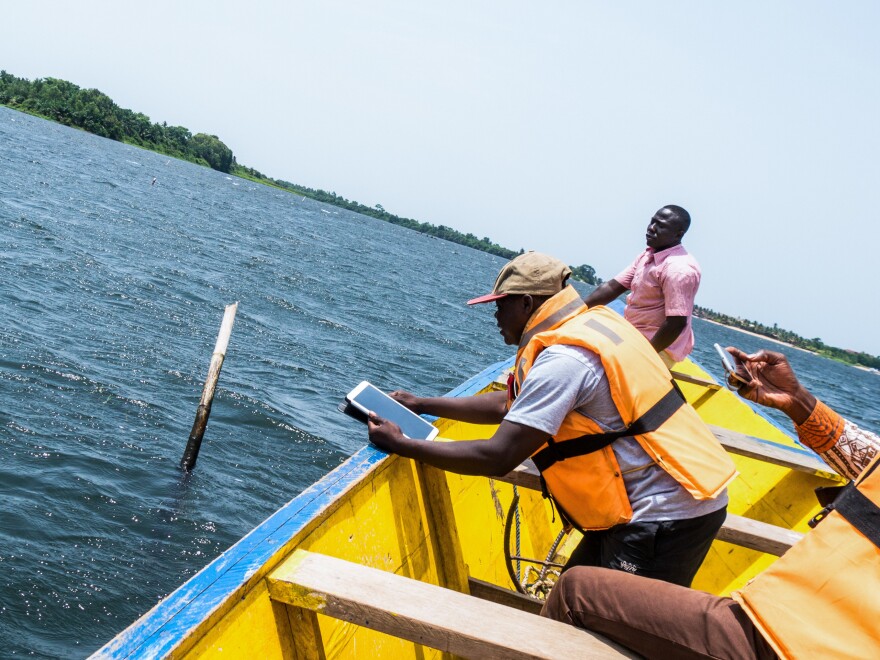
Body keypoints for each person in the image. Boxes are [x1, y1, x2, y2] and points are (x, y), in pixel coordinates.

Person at [368, 251, 736, 587]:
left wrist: (402, 444)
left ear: (527, 302)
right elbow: (511, 407)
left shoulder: (565, 359)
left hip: (663, 516)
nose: (495, 315)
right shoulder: (592, 325)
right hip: (661, 500)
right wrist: (423, 403)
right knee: (567, 598)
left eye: (500, 305)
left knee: (609, 633)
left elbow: (498, 456)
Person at [541, 347, 880, 659]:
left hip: (784, 640)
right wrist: (797, 400)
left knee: (577, 591)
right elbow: (867, 458)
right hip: (780, 618)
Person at [584, 205, 700, 365]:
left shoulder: (679, 269)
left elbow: (676, 324)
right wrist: (575, 310)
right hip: (634, 332)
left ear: (678, 234)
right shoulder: (648, 255)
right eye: (652, 222)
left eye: (661, 226)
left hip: (659, 347)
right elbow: (612, 287)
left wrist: (644, 360)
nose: (652, 228)